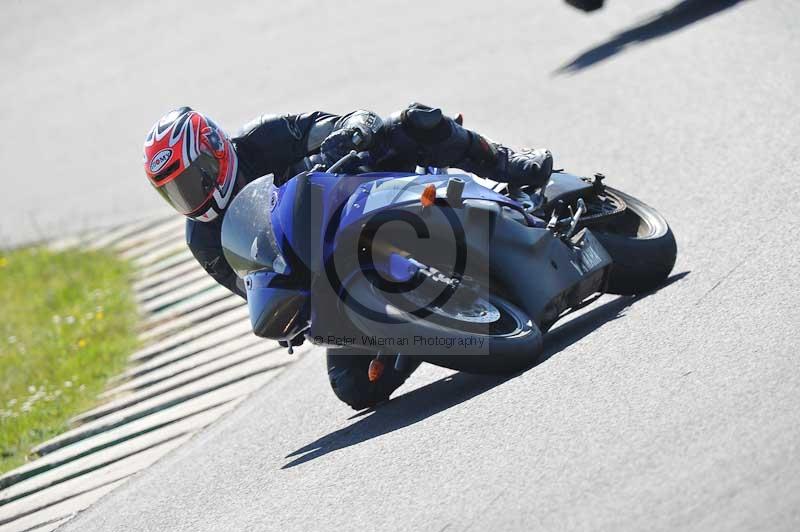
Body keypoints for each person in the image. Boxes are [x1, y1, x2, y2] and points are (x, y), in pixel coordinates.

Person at [142, 104, 553, 409]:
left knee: (413, 121)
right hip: (329, 277)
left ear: (214, 149)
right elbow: (251, 283)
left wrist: (351, 130)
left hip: (359, 194)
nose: (188, 197)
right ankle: (427, 325)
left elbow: (343, 122)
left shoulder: (263, 137)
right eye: (173, 191)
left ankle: (508, 163)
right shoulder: (204, 240)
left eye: (191, 180)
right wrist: (284, 312)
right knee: (354, 386)